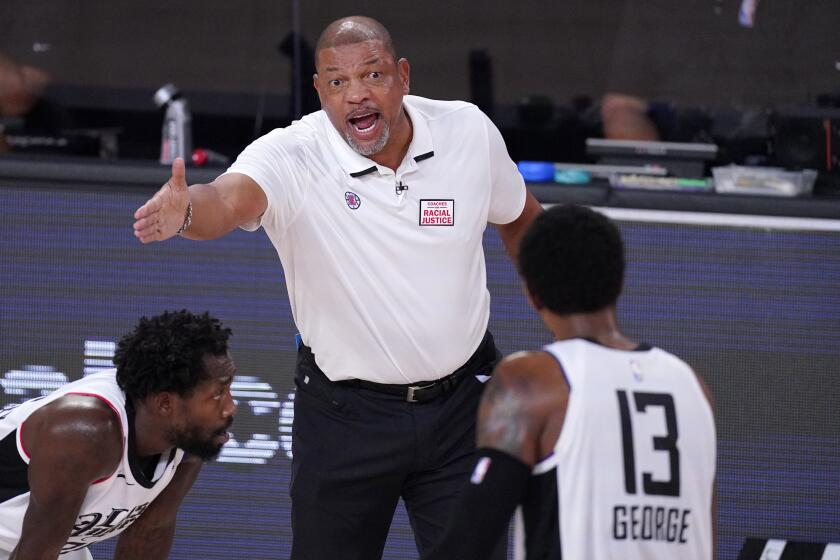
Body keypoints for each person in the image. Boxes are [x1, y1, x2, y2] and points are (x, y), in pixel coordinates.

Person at [132, 14, 541, 559]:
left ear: (402, 76)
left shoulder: (466, 131)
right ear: (320, 90)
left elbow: (521, 219)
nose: (356, 95)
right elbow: (228, 201)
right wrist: (187, 213)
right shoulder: (292, 154)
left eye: (372, 76)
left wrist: (563, 314)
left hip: (462, 410)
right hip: (346, 420)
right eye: (338, 82)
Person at [425, 205, 716, 559]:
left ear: (532, 294)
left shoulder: (533, 381)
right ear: (619, 282)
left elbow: (468, 542)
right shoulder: (691, 385)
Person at [0, 310, 237, 560]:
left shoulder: (186, 438)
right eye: (218, 393)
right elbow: (35, 553)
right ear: (165, 404)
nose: (230, 406)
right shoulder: (84, 433)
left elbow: (150, 532)